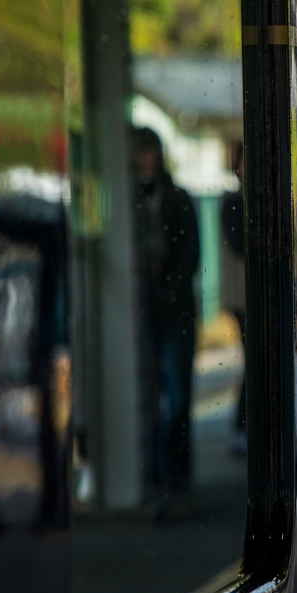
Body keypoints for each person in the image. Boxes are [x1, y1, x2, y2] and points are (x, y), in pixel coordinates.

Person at [133, 127, 200, 500]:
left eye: (151, 151)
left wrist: (170, 287)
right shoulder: (132, 202)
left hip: (171, 306)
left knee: (175, 394)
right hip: (148, 306)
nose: (149, 159)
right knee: (153, 394)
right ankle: (157, 470)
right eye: (143, 152)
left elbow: (191, 252)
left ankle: (174, 470)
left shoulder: (177, 198)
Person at [220, 141, 247, 454]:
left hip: (247, 294)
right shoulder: (233, 204)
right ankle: (241, 425)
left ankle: (244, 425)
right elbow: (241, 244)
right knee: (254, 359)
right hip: (243, 295)